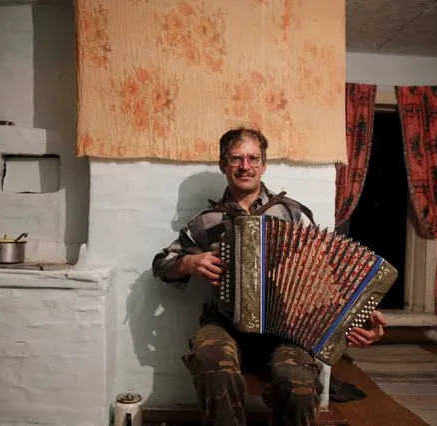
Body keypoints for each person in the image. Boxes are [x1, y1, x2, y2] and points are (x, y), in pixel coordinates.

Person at [152, 128, 386, 426]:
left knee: (300, 383)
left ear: (264, 164)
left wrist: (358, 316)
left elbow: (325, 276)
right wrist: (188, 263)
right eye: (236, 158)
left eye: (253, 158)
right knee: (211, 360)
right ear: (223, 164)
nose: (245, 166)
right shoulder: (206, 222)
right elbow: (162, 265)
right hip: (225, 322)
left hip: (286, 328)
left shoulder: (293, 215)